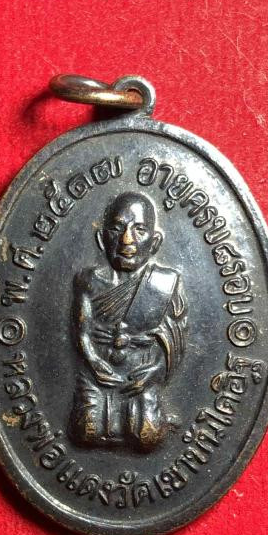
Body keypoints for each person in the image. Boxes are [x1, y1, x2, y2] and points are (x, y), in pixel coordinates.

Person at [70, 191, 187, 450]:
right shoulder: (89, 280)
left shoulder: (165, 283)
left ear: (154, 242)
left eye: (139, 230)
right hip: (98, 371)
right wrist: (93, 361)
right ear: (102, 239)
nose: (127, 240)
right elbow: (81, 331)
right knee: (86, 433)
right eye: (117, 229)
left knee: (147, 438)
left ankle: (159, 418)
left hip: (141, 372)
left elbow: (176, 339)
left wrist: (156, 371)